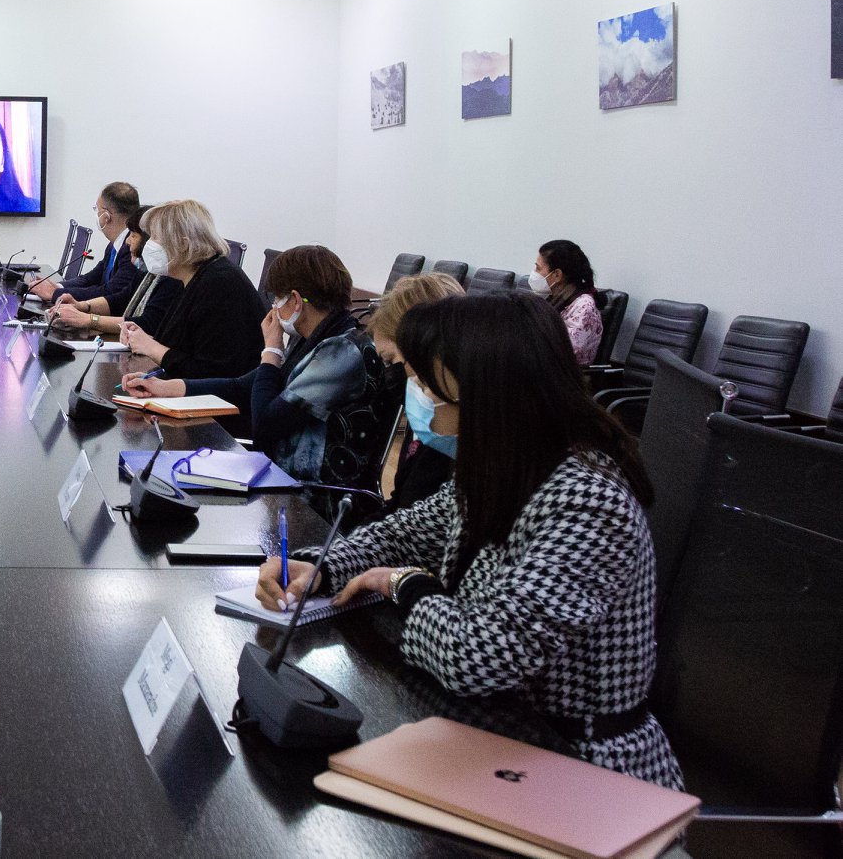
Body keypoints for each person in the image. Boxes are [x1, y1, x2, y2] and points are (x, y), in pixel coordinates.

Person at [257, 291, 683, 790]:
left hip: (580, 766)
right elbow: (405, 534)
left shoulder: (588, 503)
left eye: (425, 384)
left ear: (484, 393)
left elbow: (478, 655)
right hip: (495, 736)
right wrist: (322, 566)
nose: (416, 396)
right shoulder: (502, 465)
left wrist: (404, 584)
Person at [123, 245, 366, 481]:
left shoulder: (340, 353)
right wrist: (164, 388)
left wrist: (271, 352)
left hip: (309, 490)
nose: (274, 307)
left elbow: (264, 428)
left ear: (295, 301)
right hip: (277, 470)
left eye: (277, 298)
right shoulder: (309, 338)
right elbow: (240, 387)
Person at [110, 199, 263, 381]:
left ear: (183, 244)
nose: (148, 245)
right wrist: (143, 339)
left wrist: (151, 347)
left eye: (155, 237)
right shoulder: (192, 277)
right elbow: (180, 347)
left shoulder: (219, 283)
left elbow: (210, 371)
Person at [369, 271, 467, 513]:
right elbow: (403, 514)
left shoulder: (447, 438)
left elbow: (413, 522)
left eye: (390, 360)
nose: (391, 374)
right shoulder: (429, 427)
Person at [48, 208, 181, 339]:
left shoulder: (172, 279)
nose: (127, 241)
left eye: (133, 235)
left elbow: (147, 323)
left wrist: (89, 319)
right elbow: (121, 299)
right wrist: (82, 306)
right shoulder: (147, 272)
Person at [30, 181, 140, 307]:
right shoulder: (114, 245)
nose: (96, 213)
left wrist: (55, 293)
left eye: (96, 209)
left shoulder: (131, 249)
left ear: (106, 217)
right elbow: (90, 278)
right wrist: (58, 287)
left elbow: (109, 292)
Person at [532, 239, 604, 366]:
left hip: (566, 374)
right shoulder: (551, 298)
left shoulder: (584, 307)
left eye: (538, 268)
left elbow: (567, 353)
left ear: (557, 275)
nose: (534, 272)